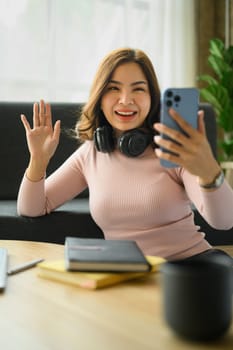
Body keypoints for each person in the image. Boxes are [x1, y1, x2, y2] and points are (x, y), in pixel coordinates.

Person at [17, 48, 233, 260]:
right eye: (113, 89)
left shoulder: (174, 149)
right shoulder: (90, 154)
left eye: (138, 89)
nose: (126, 99)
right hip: (130, 273)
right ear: (100, 98)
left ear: (152, 98)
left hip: (189, 268)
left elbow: (224, 221)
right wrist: (38, 160)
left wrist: (208, 171)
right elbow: (31, 208)